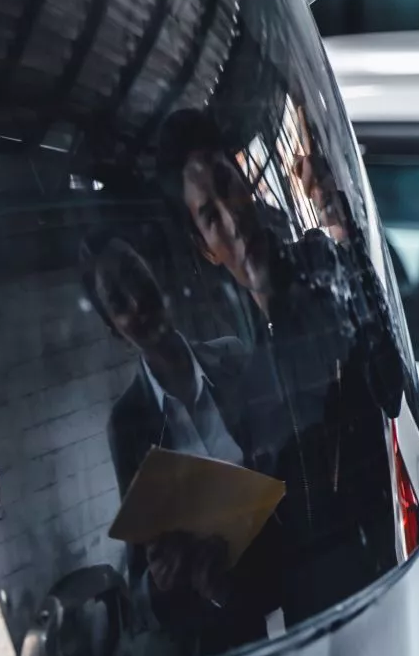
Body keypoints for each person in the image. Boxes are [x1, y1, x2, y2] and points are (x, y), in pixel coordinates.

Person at [157, 111, 401, 622]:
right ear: (206, 249)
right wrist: (214, 580)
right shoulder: (246, 385)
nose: (229, 217)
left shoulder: (327, 266)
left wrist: (344, 223)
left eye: (226, 184)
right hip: (314, 622)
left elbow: (392, 380)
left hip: (389, 575)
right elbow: (275, 551)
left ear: (248, 182)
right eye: (207, 216)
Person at [83, 233, 267, 655]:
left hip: (299, 591)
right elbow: (141, 574)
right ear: (113, 327)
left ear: (157, 276)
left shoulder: (233, 359)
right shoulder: (127, 424)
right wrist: (163, 580)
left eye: (135, 275)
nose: (136, 301)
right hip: (223, 638)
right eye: (116, 299)